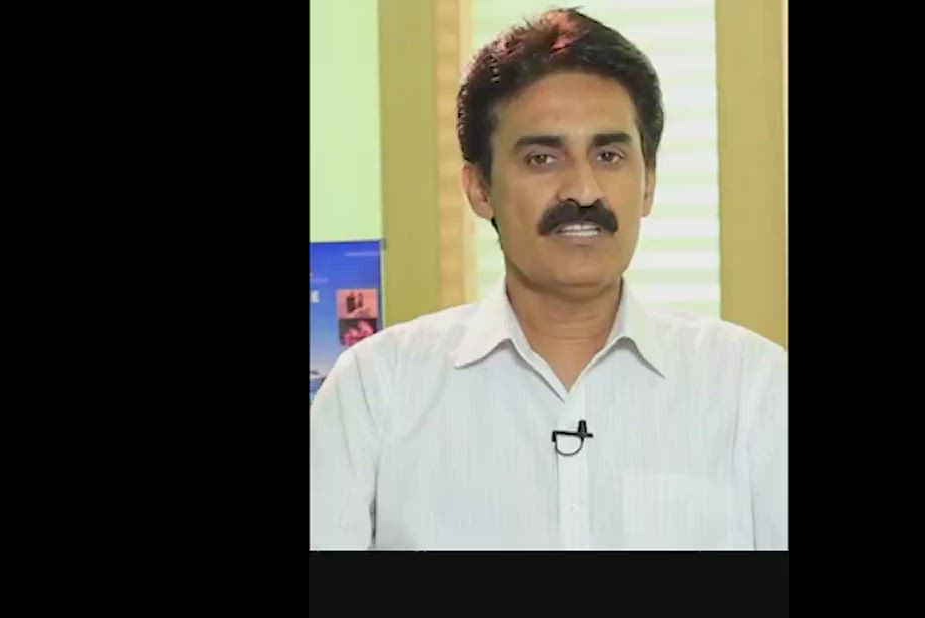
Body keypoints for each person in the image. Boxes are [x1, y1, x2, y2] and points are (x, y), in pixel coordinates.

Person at [311, 8, 786, 550]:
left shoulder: (752, 387)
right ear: (479, 188)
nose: (583, 191)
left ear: (648, 183)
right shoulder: (377, 391)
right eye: (541, 158)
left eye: (609, 155)